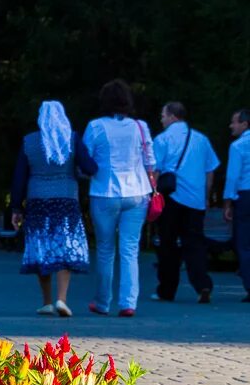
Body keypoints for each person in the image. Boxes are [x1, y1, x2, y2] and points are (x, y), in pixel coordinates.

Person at [11, 101, 97, 317]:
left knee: (42, 248)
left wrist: (15, 207)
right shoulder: (72, 139)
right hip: (66, 200)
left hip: (37, 201)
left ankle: (47, 301)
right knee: (64, 247)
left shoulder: (29, 141)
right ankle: (62, 299)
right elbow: (90, 167)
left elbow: (19, 177)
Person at [83, 80, 156, 317]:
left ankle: (103, 302)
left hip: (104, 192)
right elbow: (151, 162)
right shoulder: (140, 127)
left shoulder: (95, 126)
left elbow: (86, 160)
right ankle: (128, 303)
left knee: (105, 249)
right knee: (129, 249)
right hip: (137, 192)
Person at [151, 102, 219, 304]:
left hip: (171, 198)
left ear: (172, 116)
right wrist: (206, 196)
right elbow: (210, 170)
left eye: (163, 115)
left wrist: (152, 194)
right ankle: (203, 284)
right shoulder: (201, 139)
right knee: (195, 244)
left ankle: (167, 290)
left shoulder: (163, 139)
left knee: (168, 245)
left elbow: (155, 170)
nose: (161, 119)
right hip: (195, 201)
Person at [223, 108, 250, 302]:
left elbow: (232, 176)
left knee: (244, 243)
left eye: (234, 122)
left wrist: (228, 203)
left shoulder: (238, 146)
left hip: (245, 195)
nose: (231, 126)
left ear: (244, 124)